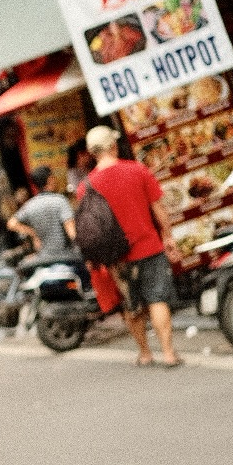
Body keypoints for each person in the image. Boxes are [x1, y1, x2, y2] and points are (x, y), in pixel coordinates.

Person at [79, 124, 181, 368]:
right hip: (149, 247)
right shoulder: (138, 170)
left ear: (93, 153)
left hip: (117, 256)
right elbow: (159, 209)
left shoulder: (86, 187)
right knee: (157, 299)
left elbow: (89, 226)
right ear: (114, 146)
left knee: (132, 305)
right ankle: (168, 353)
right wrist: (167, 236)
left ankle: (145, 354)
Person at [7, 166, 75, 259]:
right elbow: (72, 233)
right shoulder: (60, 200)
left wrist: (34, 233)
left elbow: (11, 223)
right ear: (50, 179)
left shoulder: (30, 205)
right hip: (66, 257)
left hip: (44, 259)